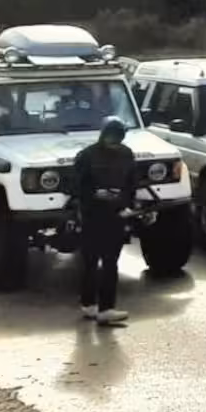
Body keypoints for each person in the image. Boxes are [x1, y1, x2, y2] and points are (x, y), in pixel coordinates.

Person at [73, 117, 137, 327]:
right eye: (110, 137)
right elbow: (76, 186)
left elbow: (131, 184)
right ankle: (89, 303)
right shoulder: (87, 156)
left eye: (117, 137)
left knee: (110, 262)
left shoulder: (126, 155)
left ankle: (105, 308)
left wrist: (126, 205)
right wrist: (94, 194)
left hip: (116, 214)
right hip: (92, 214)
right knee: (91, 261)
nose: (113, 141)